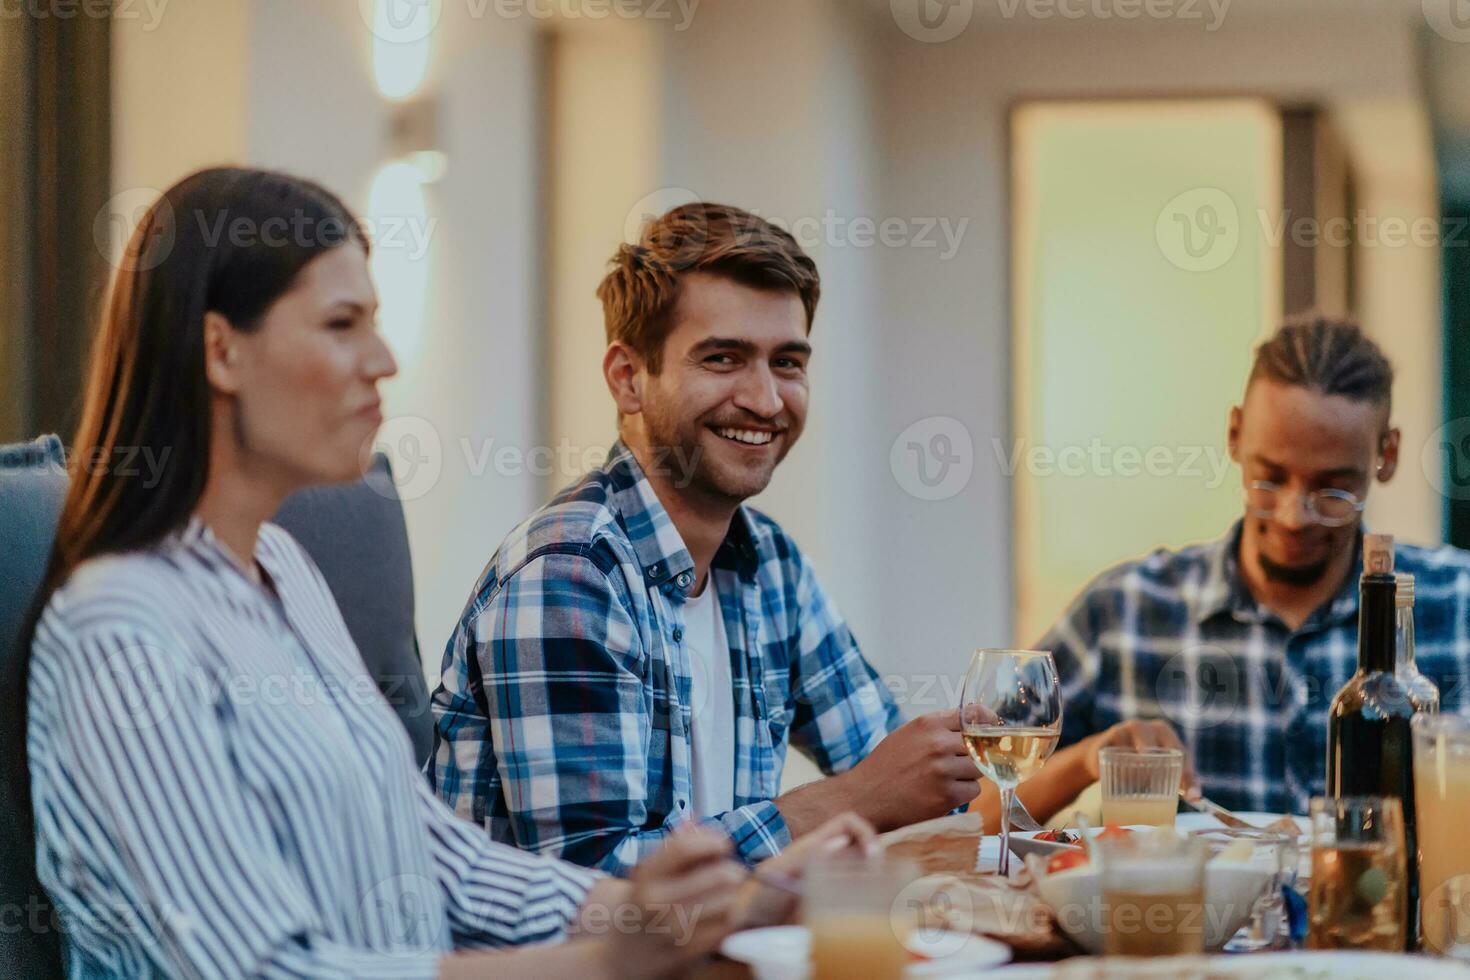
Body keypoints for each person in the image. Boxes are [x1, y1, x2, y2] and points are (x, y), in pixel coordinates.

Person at [13, 168, 871, 978]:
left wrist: (677, 913)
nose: (384, 359)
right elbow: (265, 971)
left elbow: (438, 859)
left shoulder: (279, 569)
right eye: (343, 325)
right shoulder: (120, 629)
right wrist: (601, 963)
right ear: (221, 352)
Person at [429, 203, 983, 873]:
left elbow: (900, 778)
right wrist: (853, 800)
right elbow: (592, 890)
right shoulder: (570, 574)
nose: (767, 400)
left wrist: (948, 778)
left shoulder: (768, 563)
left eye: (787, 363)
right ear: (628, 378)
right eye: (723, 359)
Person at [981, 315, 1470, 823]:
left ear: (1385, 456)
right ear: (1234, 435)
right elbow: (973, 811)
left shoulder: (1458, 605)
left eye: (1333, 489)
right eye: (1269, 478)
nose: (1292, 516)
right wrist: (1084, 761)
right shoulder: (1124, 611)